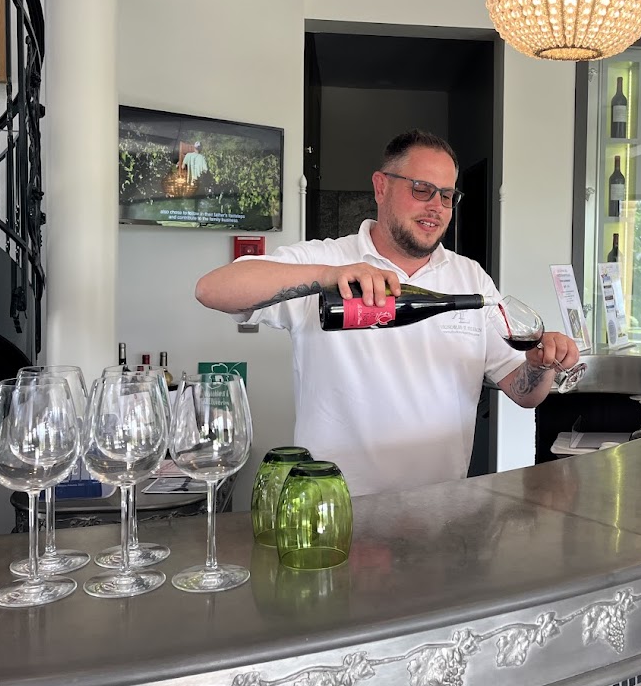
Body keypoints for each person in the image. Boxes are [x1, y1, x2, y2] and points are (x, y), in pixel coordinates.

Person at [195, 129, 581, 496]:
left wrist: (539, 363)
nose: (436, 206)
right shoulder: (326, 259)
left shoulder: (470, 278)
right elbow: (212, 290)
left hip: (441, 512)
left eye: (447, 195)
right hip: (338, 511)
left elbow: (522, 392)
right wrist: (328, 276)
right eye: (421, 189)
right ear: (381, 186)